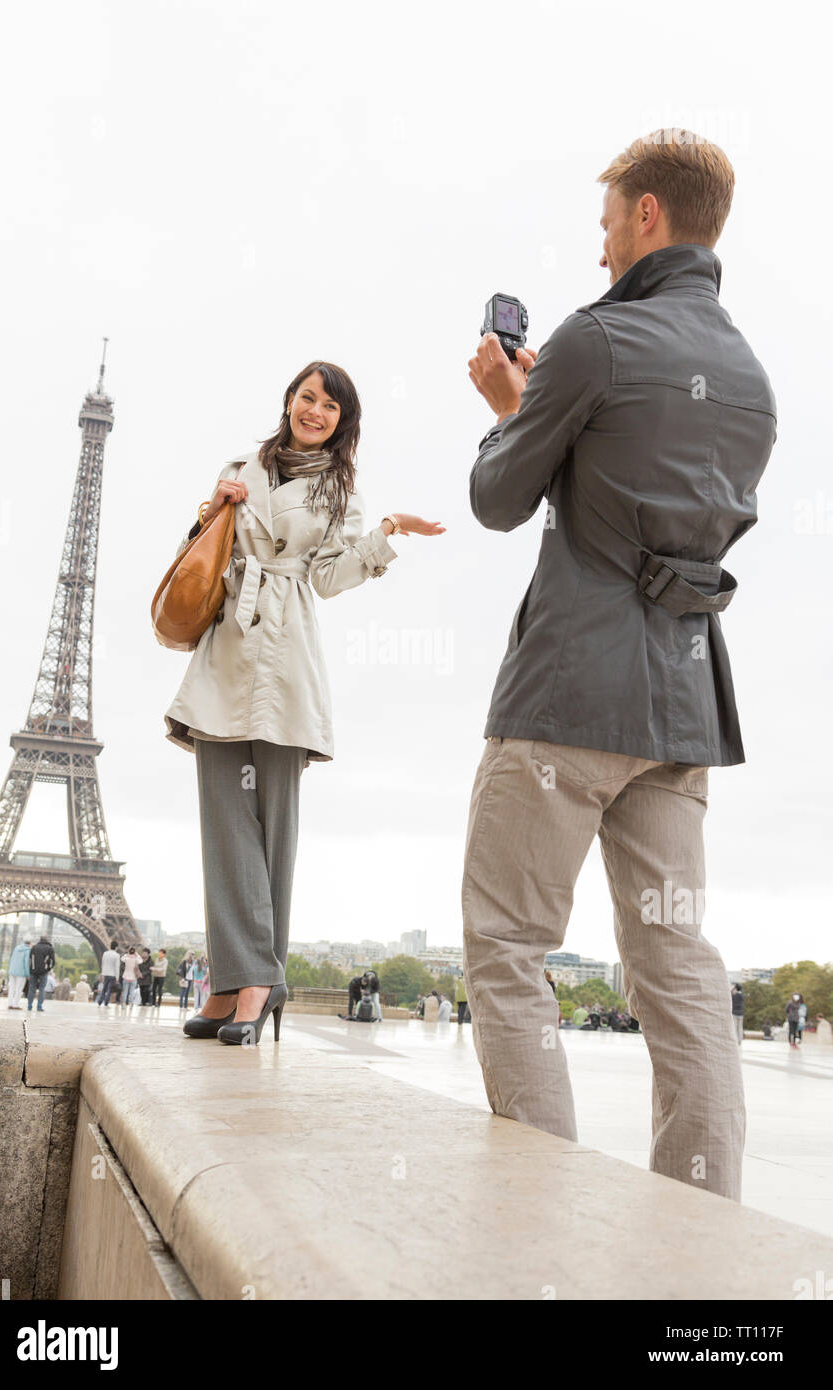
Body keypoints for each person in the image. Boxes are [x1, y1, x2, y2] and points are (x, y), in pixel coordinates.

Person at [460, 130, 776, 1205]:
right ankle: (701, 1223)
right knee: (676, 963)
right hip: (679, 707)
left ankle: (536, 1210)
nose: (597, 252)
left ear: (645, 215)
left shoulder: (593, 341)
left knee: (507, 944)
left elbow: (500, 499)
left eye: (604, 225)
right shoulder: (750, 383)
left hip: (563, 696)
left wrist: (511, 411)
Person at [163, 360, 444, 1046]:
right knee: (223, 826)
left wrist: (383, 536)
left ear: (343, 422)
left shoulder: (340, 488)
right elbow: (200, 560)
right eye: (307, 397)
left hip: (286, 654)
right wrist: (205, 516)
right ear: (289, 400)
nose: (315, 411)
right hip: (229, 648)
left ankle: (255, 983)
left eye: (331, 406)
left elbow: (326, 578)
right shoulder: (240, 466)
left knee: (272, 829)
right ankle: (236, 983)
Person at [27, 935, 55, 1012]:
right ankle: (39, 1006)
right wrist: (48, 969)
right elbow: (52, 961)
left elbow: (30, 959)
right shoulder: (50, 948)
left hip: (33, 970)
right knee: (42, 989)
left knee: (32, 988)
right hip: (44, 971)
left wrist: (30, 970)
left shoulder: (34, 947)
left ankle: (29, 1005)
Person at [7, 938, 31, 1010]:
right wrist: (28, 974)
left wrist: (10, 969)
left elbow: (12, 959)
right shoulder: (28, 950)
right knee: (19, 989)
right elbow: (26, 963)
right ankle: (16, 1004)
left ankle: (10, 1004)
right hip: (21, 972)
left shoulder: (16, 948)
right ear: (29, 944)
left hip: (12, 971)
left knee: (11, 988)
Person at [97, 939, 121, 1008]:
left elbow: (103, 964)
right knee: (109, 990)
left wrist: (102, 973)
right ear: (116, 947)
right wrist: (117, 977)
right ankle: (106, 1003)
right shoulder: (117, 955)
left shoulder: (105, 953)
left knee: (104, 989)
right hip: (112, 975)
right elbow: (117, 967)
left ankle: (99, 1002)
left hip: (106, 973)